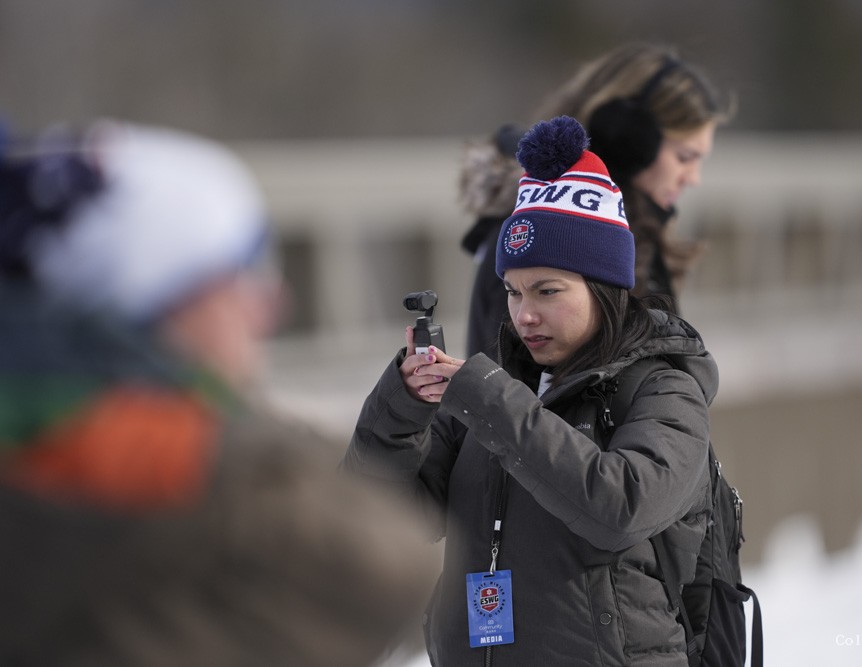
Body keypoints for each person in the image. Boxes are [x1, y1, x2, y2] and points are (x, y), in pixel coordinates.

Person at [0, 120, 437, 666]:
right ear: (155, 300)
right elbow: (388, 561)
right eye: (241, 269)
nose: (270, 303)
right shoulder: (220, 487)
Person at [346, 116, 717, 666]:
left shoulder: (665, 388)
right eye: (513, 292)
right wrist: (401, 408)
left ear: (605, 287)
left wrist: (492, 402)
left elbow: (619, 509)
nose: (524, 315)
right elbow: (377, 518)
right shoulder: (497, 389)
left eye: (548, 291)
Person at [460, 42, 731, 359]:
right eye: (685, 157)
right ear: (629, 138)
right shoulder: (530, 237)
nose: (693, 178)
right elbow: (501, 394)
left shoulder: (634, 228)